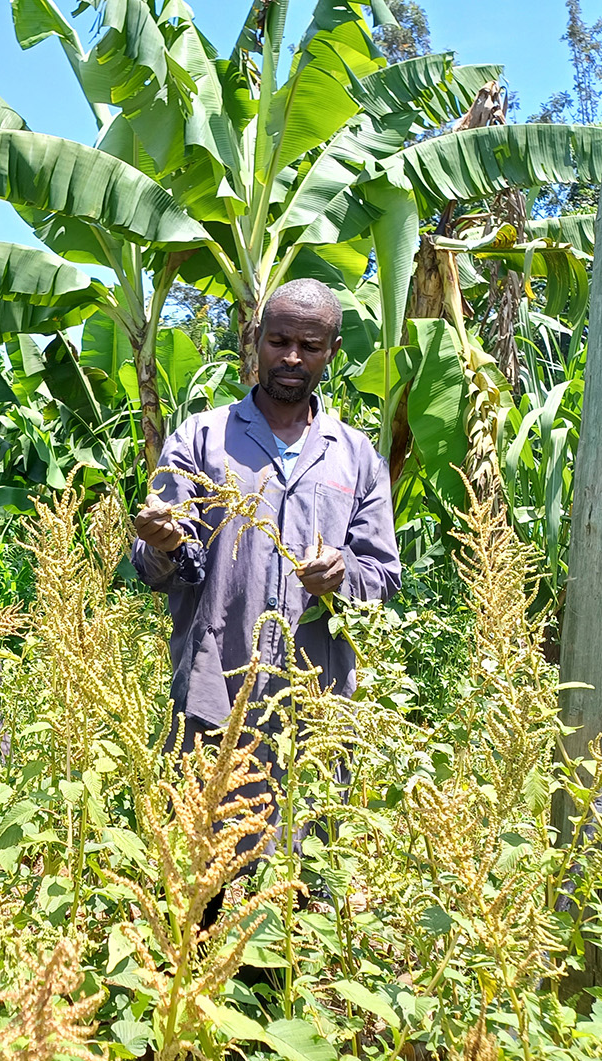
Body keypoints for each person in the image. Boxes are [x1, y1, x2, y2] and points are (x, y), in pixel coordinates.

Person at [132, 278, 401, 893]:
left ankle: (284, 980)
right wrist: (166, 546)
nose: (292, 358)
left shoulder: (355, 456)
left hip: (316, 697)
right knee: (205, 867)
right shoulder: (200, 439)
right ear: (255, 341)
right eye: (278, 341)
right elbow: (150, 565)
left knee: (300, 877)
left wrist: (343, 575)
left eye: (310, 344)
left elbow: (382, 576)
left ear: (332, 350)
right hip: (212, 689)